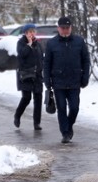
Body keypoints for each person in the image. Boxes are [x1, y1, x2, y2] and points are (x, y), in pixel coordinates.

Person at [43, 16, 91, 144]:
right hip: (58, 82)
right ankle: (65, 133)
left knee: (74, 108)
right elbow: (47, 63)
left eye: (67, 28)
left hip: (75, 81)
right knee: (62, 108)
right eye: (63, 28)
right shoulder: (52, 43)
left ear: (71, 28)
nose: (65, 30)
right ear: (58, 28)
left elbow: (86, 60)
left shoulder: (79, 42)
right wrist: (47, 80)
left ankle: (69, 126)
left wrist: (85, 76)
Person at [14, 23, 44, 130]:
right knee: (26, 98)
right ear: (25, 33)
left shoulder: (38, 44)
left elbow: (41, 58)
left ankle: (37, 123)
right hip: (25, 75)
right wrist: (29, 45)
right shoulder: (21, 43)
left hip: (37, 75)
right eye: (30, 32)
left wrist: (42, 69)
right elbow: (22, 55)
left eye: (33, 31)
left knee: (38, 99)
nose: (32, 34)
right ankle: (17, 115)